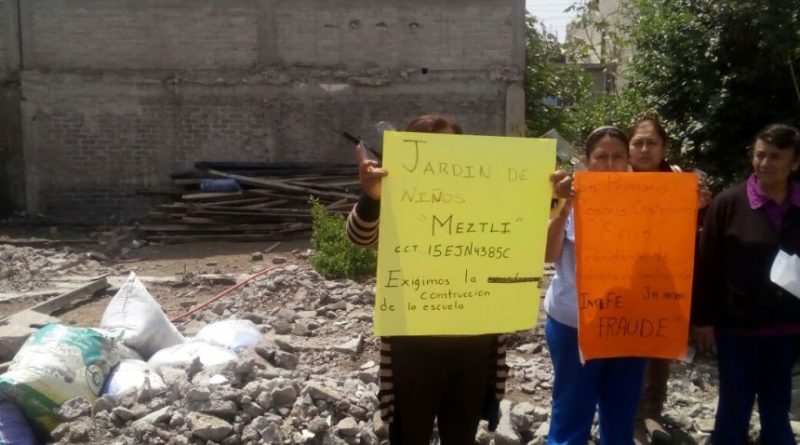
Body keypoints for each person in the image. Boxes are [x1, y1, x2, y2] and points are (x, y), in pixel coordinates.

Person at [345, 114, 508, 445]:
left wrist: (551, 195)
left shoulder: (491, 195)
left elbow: (528, 234)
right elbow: (359, 237)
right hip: (413, 344)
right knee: (409, 434)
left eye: (448, 146)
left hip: (475, 343)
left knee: (461, 435)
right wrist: (372, 196)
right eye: (427, 146)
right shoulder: (397, 193)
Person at [692, 123, 800, 445]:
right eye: (759, 155)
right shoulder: (728, 204)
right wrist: (702, 319)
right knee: (734, 405)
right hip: (737, 327)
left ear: (795, 162)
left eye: (775, 157)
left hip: (788, 327)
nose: (764, 163)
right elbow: (706, 264)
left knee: (777, 405)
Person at [545, 126, 647, 445]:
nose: (609, 164)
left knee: (621, 409)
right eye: (601, 156)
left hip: (629, 324)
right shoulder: (565, 196)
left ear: (628, 160)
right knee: (572, 408)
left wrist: (691, 206)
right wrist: (564, 209)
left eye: (618, 156)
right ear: (588, 160)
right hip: (574, 323)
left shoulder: (648, 200)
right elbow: (547, 254)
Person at [627, 111, 711, 445]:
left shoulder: (681, 183)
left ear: (664, 147)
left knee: (659, 344)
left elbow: (692, 237)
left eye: (652, 143)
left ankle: (651, 411)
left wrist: (699, 208)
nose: (644, 149)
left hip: (665, 279)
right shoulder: (612, 179)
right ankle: (622, 410)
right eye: (638, 142)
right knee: (620, 344)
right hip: (618, 274)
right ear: (629, 147)